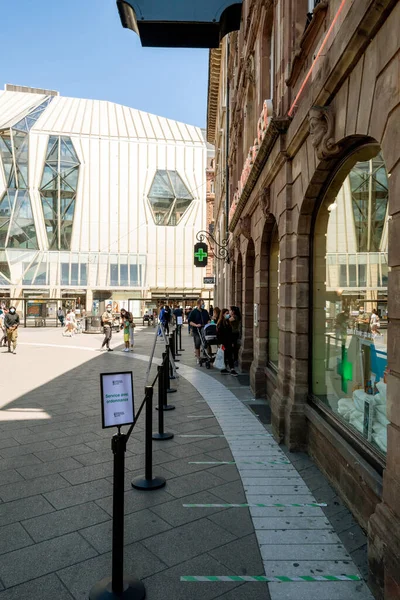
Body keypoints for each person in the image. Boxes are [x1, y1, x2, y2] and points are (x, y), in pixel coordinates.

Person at [216, 308, 238, 376]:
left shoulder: (228, 322)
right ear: (223, 314)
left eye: (228, 313)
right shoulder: (220, 324)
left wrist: (232, 342)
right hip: (223, 342)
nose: (228, 315)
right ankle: (225, 369)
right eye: (227, 313)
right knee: (224, 356)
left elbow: (230, 333)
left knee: (229, 355)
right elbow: (219, 334)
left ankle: (231, 369)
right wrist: (220, 343)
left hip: (228, 342)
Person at [189, 298, 210, 364]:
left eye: (203, 303)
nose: (203, 305)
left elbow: (208, 319)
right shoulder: (194, 312)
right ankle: (198, 357)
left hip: (204, 329)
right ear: (198, 304)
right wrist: (196, 325)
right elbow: (190, 321)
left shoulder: (205, 311)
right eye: (202, 303)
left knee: (206, 342)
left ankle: (208, 355)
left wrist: (208, 322)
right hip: (196, 330)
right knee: (197, 343)